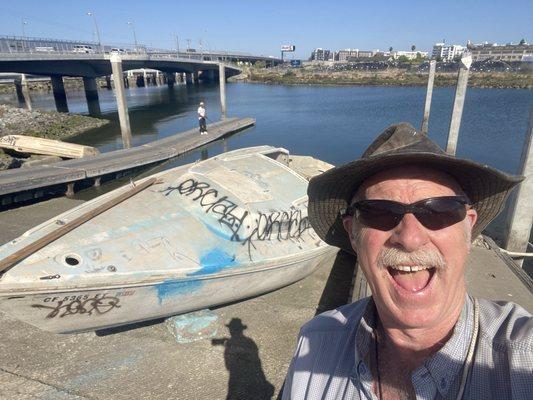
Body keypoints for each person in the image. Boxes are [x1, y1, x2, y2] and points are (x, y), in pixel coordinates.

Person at [282, 123, 532, 399]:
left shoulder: (522, 356)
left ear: (468, 229)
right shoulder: (315, 344)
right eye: (379, 212)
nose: (410, 238)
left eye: (440, 210)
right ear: (353, 234)